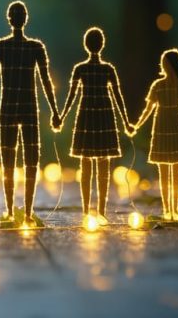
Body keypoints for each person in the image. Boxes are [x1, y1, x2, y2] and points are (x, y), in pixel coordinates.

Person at [0, 0, 60, 225]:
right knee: (30, 160)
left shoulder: (0, 47)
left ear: (10, 19)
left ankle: (10, 209)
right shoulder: (35, 48)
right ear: (25, 19)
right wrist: (55, 111)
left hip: (8, 109)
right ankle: (26, 211)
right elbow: (46, 82)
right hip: (29, 109)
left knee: (8, 159)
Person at [57, 27, 133, 224]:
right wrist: (126, 121)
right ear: (102, 44)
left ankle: (86, 209)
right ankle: (100, 210)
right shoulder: (108, 69)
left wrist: (62, 116)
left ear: (86, 45)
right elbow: (118, 97)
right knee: (103, 164)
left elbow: (71, 97)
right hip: (104, 115)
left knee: (86, 163)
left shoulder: (80, 69)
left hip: (86, 115)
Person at [134, 49, 178, 221]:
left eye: (165, 62)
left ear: (168, 64)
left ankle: (174, 208)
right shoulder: (158, 85)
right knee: (164, 168)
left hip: (176, 124)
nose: (163, 66)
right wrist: (138, 125)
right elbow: (148, 109)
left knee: (176, 167)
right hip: (163, 125)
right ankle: (167, 208)